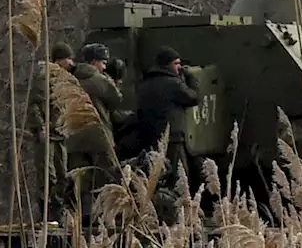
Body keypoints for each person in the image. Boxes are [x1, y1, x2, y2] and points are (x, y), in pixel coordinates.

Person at [65, 43, 124, 226]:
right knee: (109, 176)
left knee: (81, 179)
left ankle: (83, 217)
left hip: (74, 137)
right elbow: (117, 99)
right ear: (94, 62)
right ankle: (108, 217)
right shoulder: (97, 78)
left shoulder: (68, 78)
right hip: (98, 137)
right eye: (103, 62)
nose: (104, 66)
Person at [132, 46, 201, 200]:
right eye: (176, 63)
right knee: (179, 176)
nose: (179, 67)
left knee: (157, 174)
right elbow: (193, 98)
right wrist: (192, 78)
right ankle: (177, 210)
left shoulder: (145, 84)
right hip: (173, 137)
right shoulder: (173, 84)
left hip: (150, 136)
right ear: (167, 64)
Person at [27, 41, 74, 220]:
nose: (70, 63)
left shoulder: (65, 79)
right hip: (47, 133)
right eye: (67, 59)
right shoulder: (43, 78)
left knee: (62, 176)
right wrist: (40, 127)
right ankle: (47, 215)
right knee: (48, 176)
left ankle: (57, 211)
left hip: (60, 133)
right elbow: (34, 106)